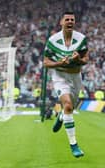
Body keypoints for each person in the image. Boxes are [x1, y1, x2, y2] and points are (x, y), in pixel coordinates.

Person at [43, 11, 89, 158]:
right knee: (68, 105)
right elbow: (46, 62)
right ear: (61, 22)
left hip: (76, 76)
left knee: (69, 108)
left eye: (72, 19)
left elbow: (86, 59)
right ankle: (74, 145)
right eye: (67, 19)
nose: (70, 21)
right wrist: (58, 63)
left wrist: (78, 59)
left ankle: (62, 116)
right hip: (59, 76)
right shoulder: (53, 40)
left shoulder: (81, 39)